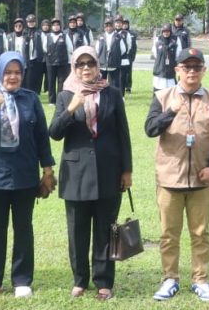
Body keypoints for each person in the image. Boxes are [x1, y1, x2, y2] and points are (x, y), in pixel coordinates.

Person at [49, 45, 133, 300]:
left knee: (106, 229)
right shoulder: (65, 95)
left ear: (98, 66)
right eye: (80, 65)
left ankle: (104, 281)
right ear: (74, 68)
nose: (86, 68)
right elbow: (54, 133)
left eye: (90, 64)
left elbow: (123, 133)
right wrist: (72, 107)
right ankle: (80, 280)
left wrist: (127, 170)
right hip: (76, 173)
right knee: (77, 230)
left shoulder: (112, 93)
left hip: (109, 170)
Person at [145, 47, 209, 302]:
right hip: (170, 178)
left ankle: (200, 279)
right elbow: (150, 129)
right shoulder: (162, 97)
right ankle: (170, 278)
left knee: (200, 233)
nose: (191, 72)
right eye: (186, 67)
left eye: (196, 67)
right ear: (177, 70)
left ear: (204, 70)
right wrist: (170, 111)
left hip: (201, 179)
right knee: (169, 234)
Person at [0, 51, 56, 299]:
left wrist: (47, 170)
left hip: (25, 174)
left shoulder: (30, 99)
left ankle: (22, 279)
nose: (13, 77)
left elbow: (42, 137)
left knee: (23, 227)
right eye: (8, 72)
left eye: (17, 72)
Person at [151, 23, 179, 92]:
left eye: (167, 31)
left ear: (170, 32)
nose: (166, 33)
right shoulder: (158, 41)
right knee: (158, 90)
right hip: (159, 69)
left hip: (170, 70)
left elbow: (178, 55)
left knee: (170, 91)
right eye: (164, 31)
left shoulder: (175, 41)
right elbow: (155, 53)